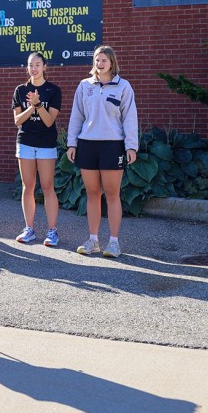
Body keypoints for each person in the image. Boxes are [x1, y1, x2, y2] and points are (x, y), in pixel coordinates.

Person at [66, 45, 138, 258]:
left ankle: (114, 242)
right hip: (87, 144)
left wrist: (131, 146)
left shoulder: (123, 86)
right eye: (97, 59)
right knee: (92, 193)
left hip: (112, 145)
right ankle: (93, 240)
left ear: (112, 62)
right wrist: (72, 143)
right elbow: (76, 116)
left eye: (104, 60)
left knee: (113, 194)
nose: (100, 63)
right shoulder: (84, 85)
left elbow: (129, 118)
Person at [12, 52, 62, 246]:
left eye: (37, 64)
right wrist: (31, 108)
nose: (34, 68)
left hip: (46, 144)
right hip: (25, 142)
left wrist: (38, 104)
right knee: (28, 186)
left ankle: (52, 231)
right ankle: (29, 229)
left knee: (48, 186)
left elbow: (49, 121)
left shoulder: (53, 90)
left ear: (44, 67)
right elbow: (18, 121)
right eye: (31, 65)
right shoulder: (20, 90)